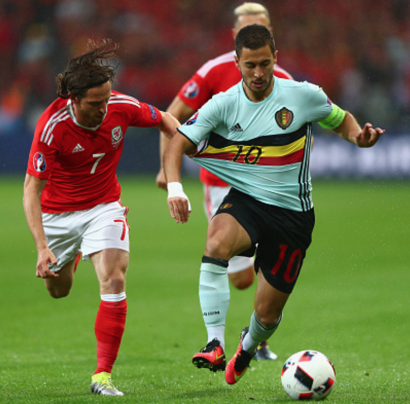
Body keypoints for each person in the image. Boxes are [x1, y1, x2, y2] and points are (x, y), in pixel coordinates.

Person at [164, 24, 384, 385]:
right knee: (216, 241)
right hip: (247, 200)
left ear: (275, 58)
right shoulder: (222, 104)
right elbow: (178, 142)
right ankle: (214, 343)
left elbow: (341, 119)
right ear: (236, 62)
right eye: (250, 65)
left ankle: (247, 348)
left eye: (265, 64)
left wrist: (359, 138)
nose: (258, 73)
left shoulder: (303, 95)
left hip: (292, 217)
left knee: (266, 313)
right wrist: (175, 188)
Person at [23, 39, 180, 396]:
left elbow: (167, 121)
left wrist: (182, 158)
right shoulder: (51, 126)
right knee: (58, 291)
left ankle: (102, 376)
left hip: (103, 207)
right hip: (58, 216)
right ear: (74, 100)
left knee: (113, 279)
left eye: (107, 100)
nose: (104, 109)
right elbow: (31, 189)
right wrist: (42, 247)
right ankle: (73, 254)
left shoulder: (121, 106)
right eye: (96, 104)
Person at [156, 1, 289, 366]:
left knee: (267, 261)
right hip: (221, 182)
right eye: (245, 29)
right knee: (242, 277)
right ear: (234, 37)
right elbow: (174, 114)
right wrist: (166, 170)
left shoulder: (288, 83)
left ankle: (249, 337)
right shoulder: (214, 72)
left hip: (270, 187)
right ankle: (245, 333)